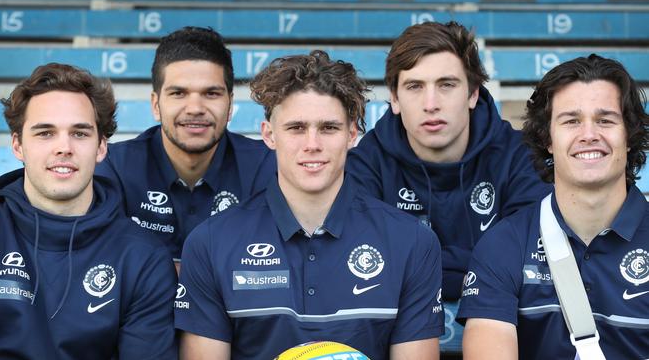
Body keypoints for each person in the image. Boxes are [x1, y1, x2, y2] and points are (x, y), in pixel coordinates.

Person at [174, 50, 444, 360]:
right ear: (269, 135)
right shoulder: (210, 243)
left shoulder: (411, 242)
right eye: (296, 128)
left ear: (352, 135)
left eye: (328, 128)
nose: (312, 144)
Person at [458, 54, 649, 359]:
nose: (589, 135)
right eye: (571, 121)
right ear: (548, 138)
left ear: (629, 135)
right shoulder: (504, 244)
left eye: (605, 120)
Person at [346, 21, 551, 300]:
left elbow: (529, 258)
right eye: (415, 86)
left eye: (446, 85)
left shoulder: (518, 155)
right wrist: (479, 264)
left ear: (473, 94)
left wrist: (417, 265)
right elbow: (368, 264)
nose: (431, 103)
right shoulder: (367, 163)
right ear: (394, 98)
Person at [0, 63, 177, 359]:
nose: (63, 147)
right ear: (17, 145)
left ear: (101, 147)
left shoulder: (142, 258)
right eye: (45, 133)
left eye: (80, 134)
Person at [95, 26, 275, 266]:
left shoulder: (266, 166)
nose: (195, 108)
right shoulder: (115, 168)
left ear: (230, 104)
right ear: (156, 104)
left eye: (211, 93)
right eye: (178, 93)